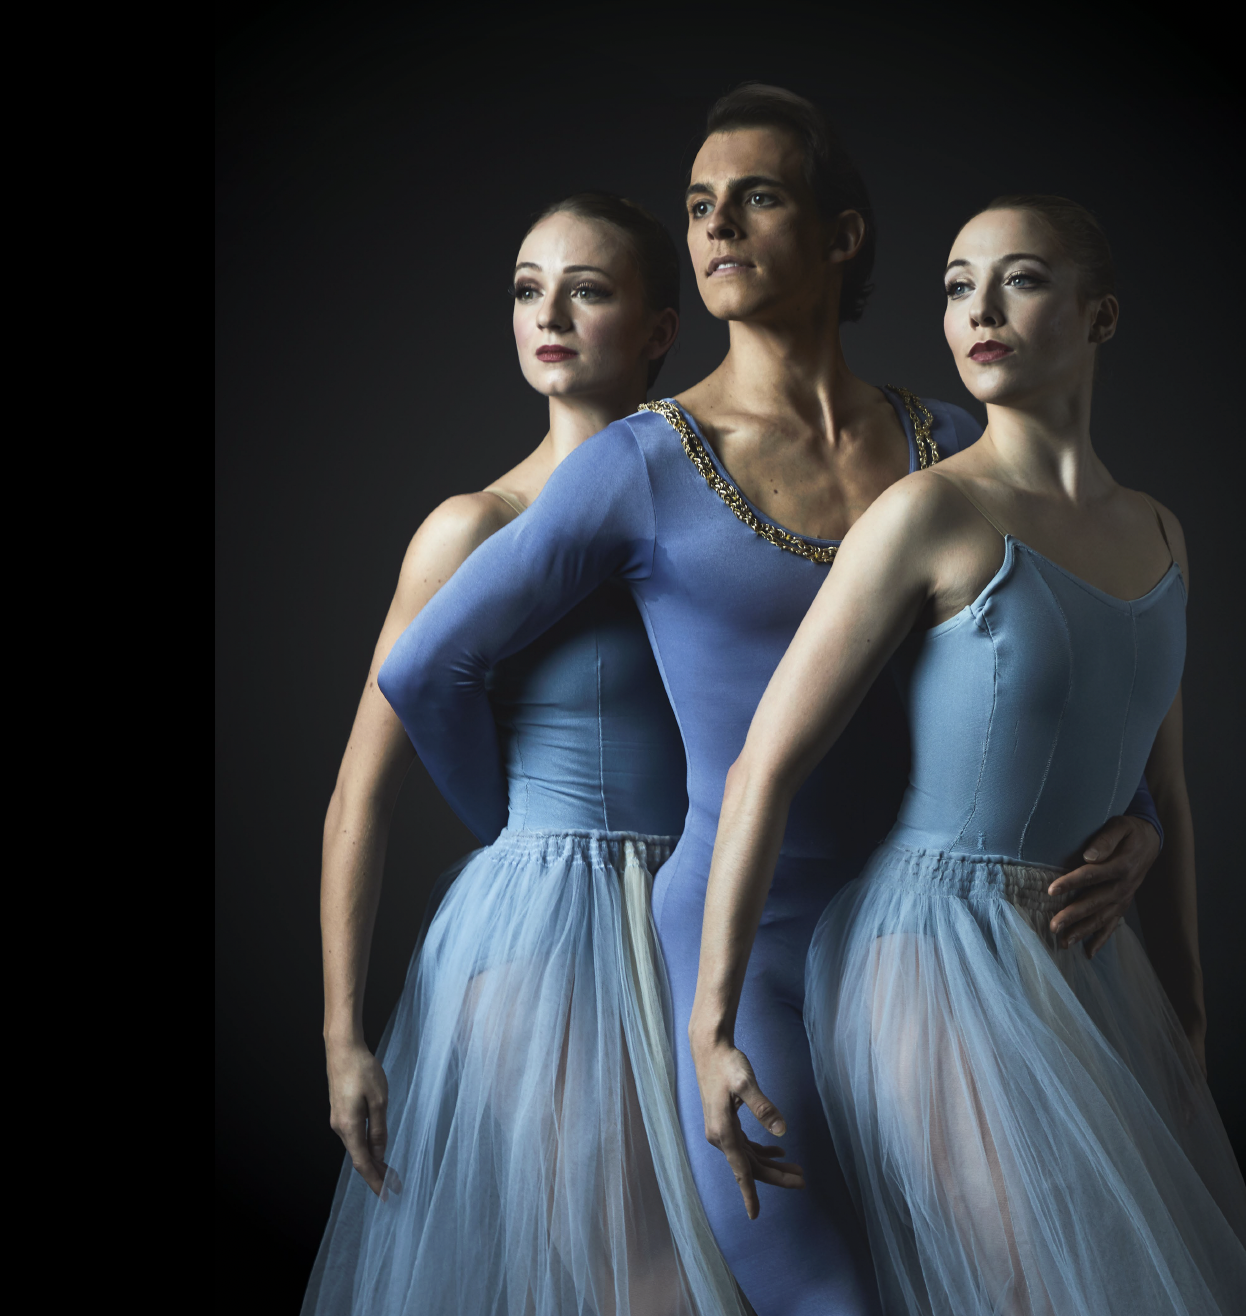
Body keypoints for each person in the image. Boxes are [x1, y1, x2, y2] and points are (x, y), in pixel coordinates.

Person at [377, 88, 1165, 1314]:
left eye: (758, 197)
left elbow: (1060, 673)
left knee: (997, 1280)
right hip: (746, 956)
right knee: (821, 1296)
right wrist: (519, 841)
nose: (718, 225)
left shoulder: (945, 438)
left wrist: (1141, 828)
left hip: (922, 951)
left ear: (843, 237)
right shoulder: (639, 461)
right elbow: (427, 667)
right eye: (698, 205)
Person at [694, 195, 1246, 1313]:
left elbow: (1171, 795)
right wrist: (708, 1026)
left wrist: (1188, 1013)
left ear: (1099, 316)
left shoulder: (1162, 530)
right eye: (956, 284)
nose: (978, 309)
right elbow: (763, 765)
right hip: (931, 955)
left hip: (1090, 966)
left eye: (1021, 279)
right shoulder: (927, 513)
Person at [308, 193, 747, 1315]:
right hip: (548, 931)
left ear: (660, 328)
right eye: (525, 287)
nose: (546, 312)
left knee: (740, 1260)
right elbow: (361, 790)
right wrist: (342, 1033)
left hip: (706, 914)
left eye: (586, 288)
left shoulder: (722, 509)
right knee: (633, 1276)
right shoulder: (474, 526)